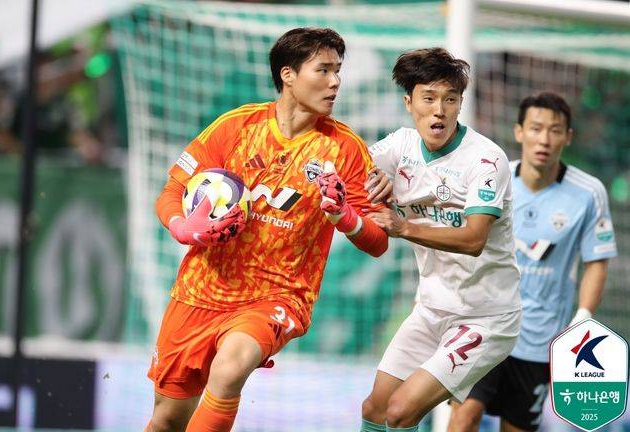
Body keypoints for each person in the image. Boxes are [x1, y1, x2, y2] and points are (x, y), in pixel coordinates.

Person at [147, 27, 389, 432]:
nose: (335, 82)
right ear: (288, 75)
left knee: (230, 369)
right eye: (323, 70)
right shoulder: (236, 126)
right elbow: (171, 193)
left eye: (338, 71)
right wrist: (183, 228)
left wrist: (344, 217)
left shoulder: (345, 149)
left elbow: (379, 243)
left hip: (278, 296)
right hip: (199, 291)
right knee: (166, 420)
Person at [359, 47, 521, 432]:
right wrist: (368, 182)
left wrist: (404, 227)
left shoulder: (485, 160)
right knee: (375, 409)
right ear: (409, 102)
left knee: (401, 411)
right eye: (429, 98)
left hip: (485, 317)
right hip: (432, 308)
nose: (439, 111)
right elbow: (353, 171)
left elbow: (474, 239)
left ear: (461, 104)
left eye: (450, 99)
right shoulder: (399, 146)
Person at [447, 92, 617, 432]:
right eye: (536, 128)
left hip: (541, 341)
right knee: (464, 418)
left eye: (555, 130)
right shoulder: (493, 180)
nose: (544, 140)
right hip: (485, 326)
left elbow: (596, 262)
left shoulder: (589, 193)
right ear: (519, 132)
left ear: (568, 137)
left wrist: (583, 315)